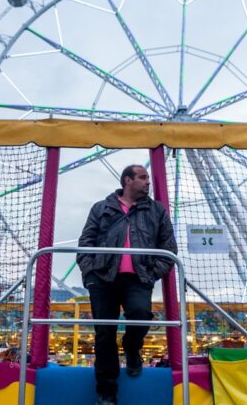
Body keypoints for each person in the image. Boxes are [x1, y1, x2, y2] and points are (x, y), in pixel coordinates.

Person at [78, 165, 178, 405]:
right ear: (127, 180)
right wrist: (90, 272)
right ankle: (106, 393)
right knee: (104, 335)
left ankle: (132, 349)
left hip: (139, 277)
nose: (148, 182)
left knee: (140, 314)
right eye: (142, 178)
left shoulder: (156, 210)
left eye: (148, 178)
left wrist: (153, 272)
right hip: (103, 277)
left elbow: (169, 247)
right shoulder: (102, 208)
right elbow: (86, 242)